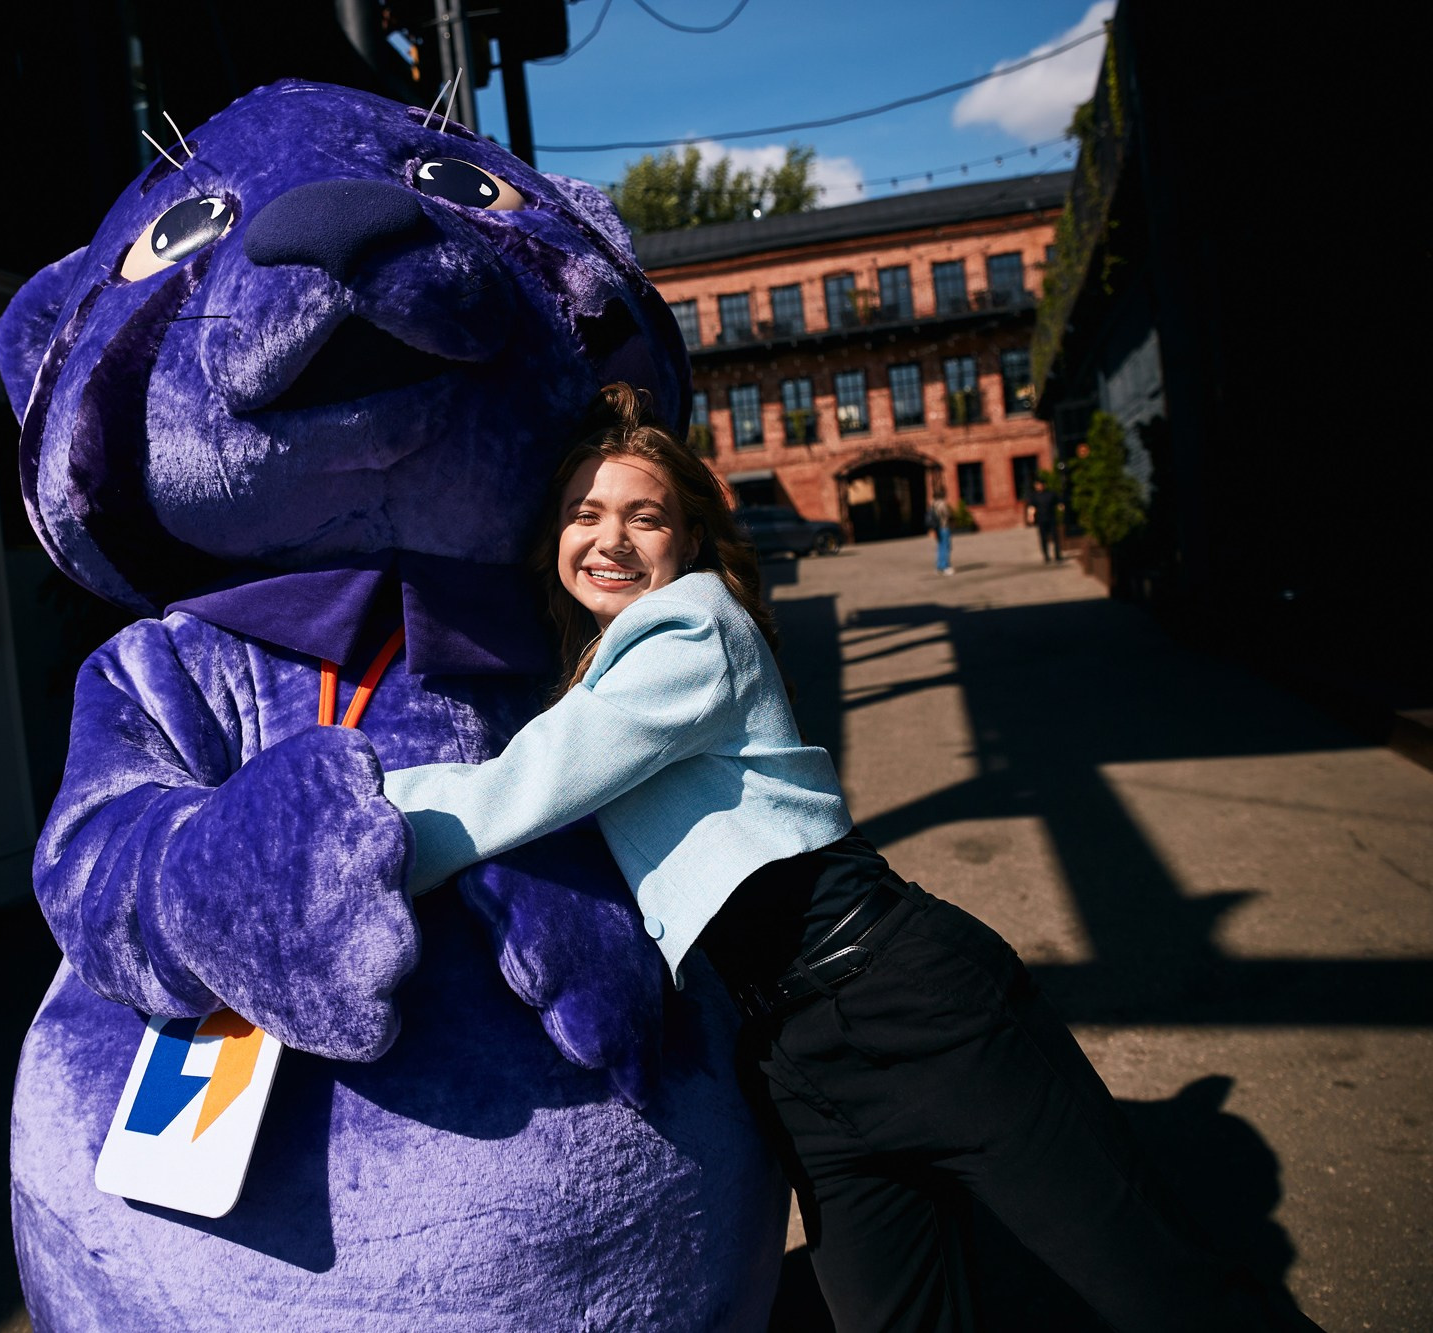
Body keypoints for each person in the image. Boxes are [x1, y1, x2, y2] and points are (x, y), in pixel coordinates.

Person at [383, 384, 1313, 1333]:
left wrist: (351, 824)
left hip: (905, 1000)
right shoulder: (606, 658)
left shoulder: (691, 628)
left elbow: (520, 787)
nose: (611, 538)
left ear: (691, 540)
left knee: (1167, 1296)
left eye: (644, 515)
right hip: (798, 1056)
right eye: (585, 514)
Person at [1027, 475, 1063, 562]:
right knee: (1043, 538)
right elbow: (1032, 507)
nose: (1038, 486)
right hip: (1041, 519)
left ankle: (1057, 555)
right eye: (1037, 485)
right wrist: (1030, 516)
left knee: (1055, 537)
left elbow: (1058, 503)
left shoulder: (1051, 494)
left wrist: (1061, 508)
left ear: (1044, 485)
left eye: (1040, 484)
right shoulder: (1034, 496)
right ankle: (1046, 556)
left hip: (1052, 518)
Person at [928, 488, 954, 575]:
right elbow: (947, 514)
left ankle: (939, 566)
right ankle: (945, 567)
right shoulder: (942, 504)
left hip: (937, 528)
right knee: (945, 547)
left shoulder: (932, 504)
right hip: (944, 527)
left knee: (940, 547)